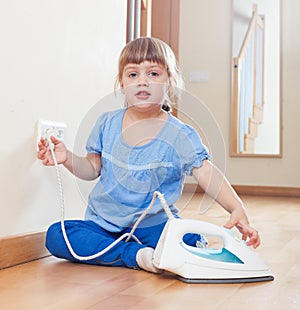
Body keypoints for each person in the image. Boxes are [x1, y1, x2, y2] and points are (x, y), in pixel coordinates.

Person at [37, 37, 260, 274]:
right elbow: (91, 169)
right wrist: (66, 157)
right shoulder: (106, 124)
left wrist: (236, 207)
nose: (142, 81)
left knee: (189, 240)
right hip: (103, 225)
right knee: (57, 235)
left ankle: (122, 252)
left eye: (153, 74)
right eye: (133, 75)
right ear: (121, 83)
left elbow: (206, 173)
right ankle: (136, 255)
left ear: (170, 83)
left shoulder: (180, 135)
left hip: (153, 227)